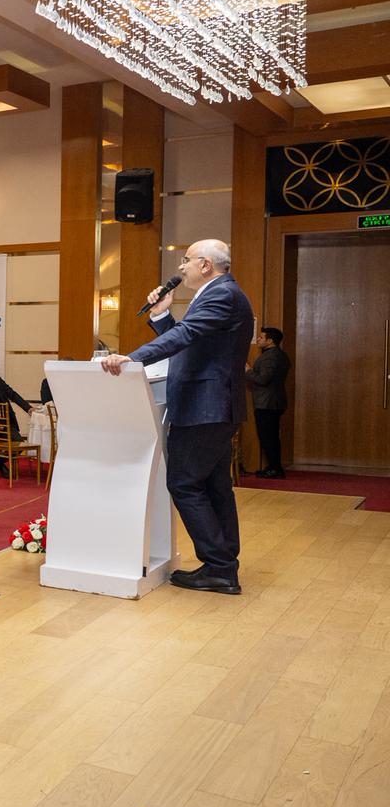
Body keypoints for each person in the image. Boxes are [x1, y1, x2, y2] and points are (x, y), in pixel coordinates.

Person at [101, 239, 254, 595]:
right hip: (212, 407)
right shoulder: (219, 294)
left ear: (206, 265)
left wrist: (133, 357)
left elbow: (186, 334)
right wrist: (160, 315)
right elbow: (190, 343)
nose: (181, 267)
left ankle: (219, 567)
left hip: (205, 407)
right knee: (215, 486)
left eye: (186, 260)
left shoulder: (222, 294)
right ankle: (223, 562)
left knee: (185, 484)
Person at [246, 326, 291, 479]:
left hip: (267, 402)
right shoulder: (280, 355)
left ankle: (275, 468)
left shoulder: (270, 357)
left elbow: (263, 379)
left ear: (270, 341)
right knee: (271, 436)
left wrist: (248, 371)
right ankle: (273, 466)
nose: (258, 339)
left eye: (261, 337)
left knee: (268, 437)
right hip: (274, 401)